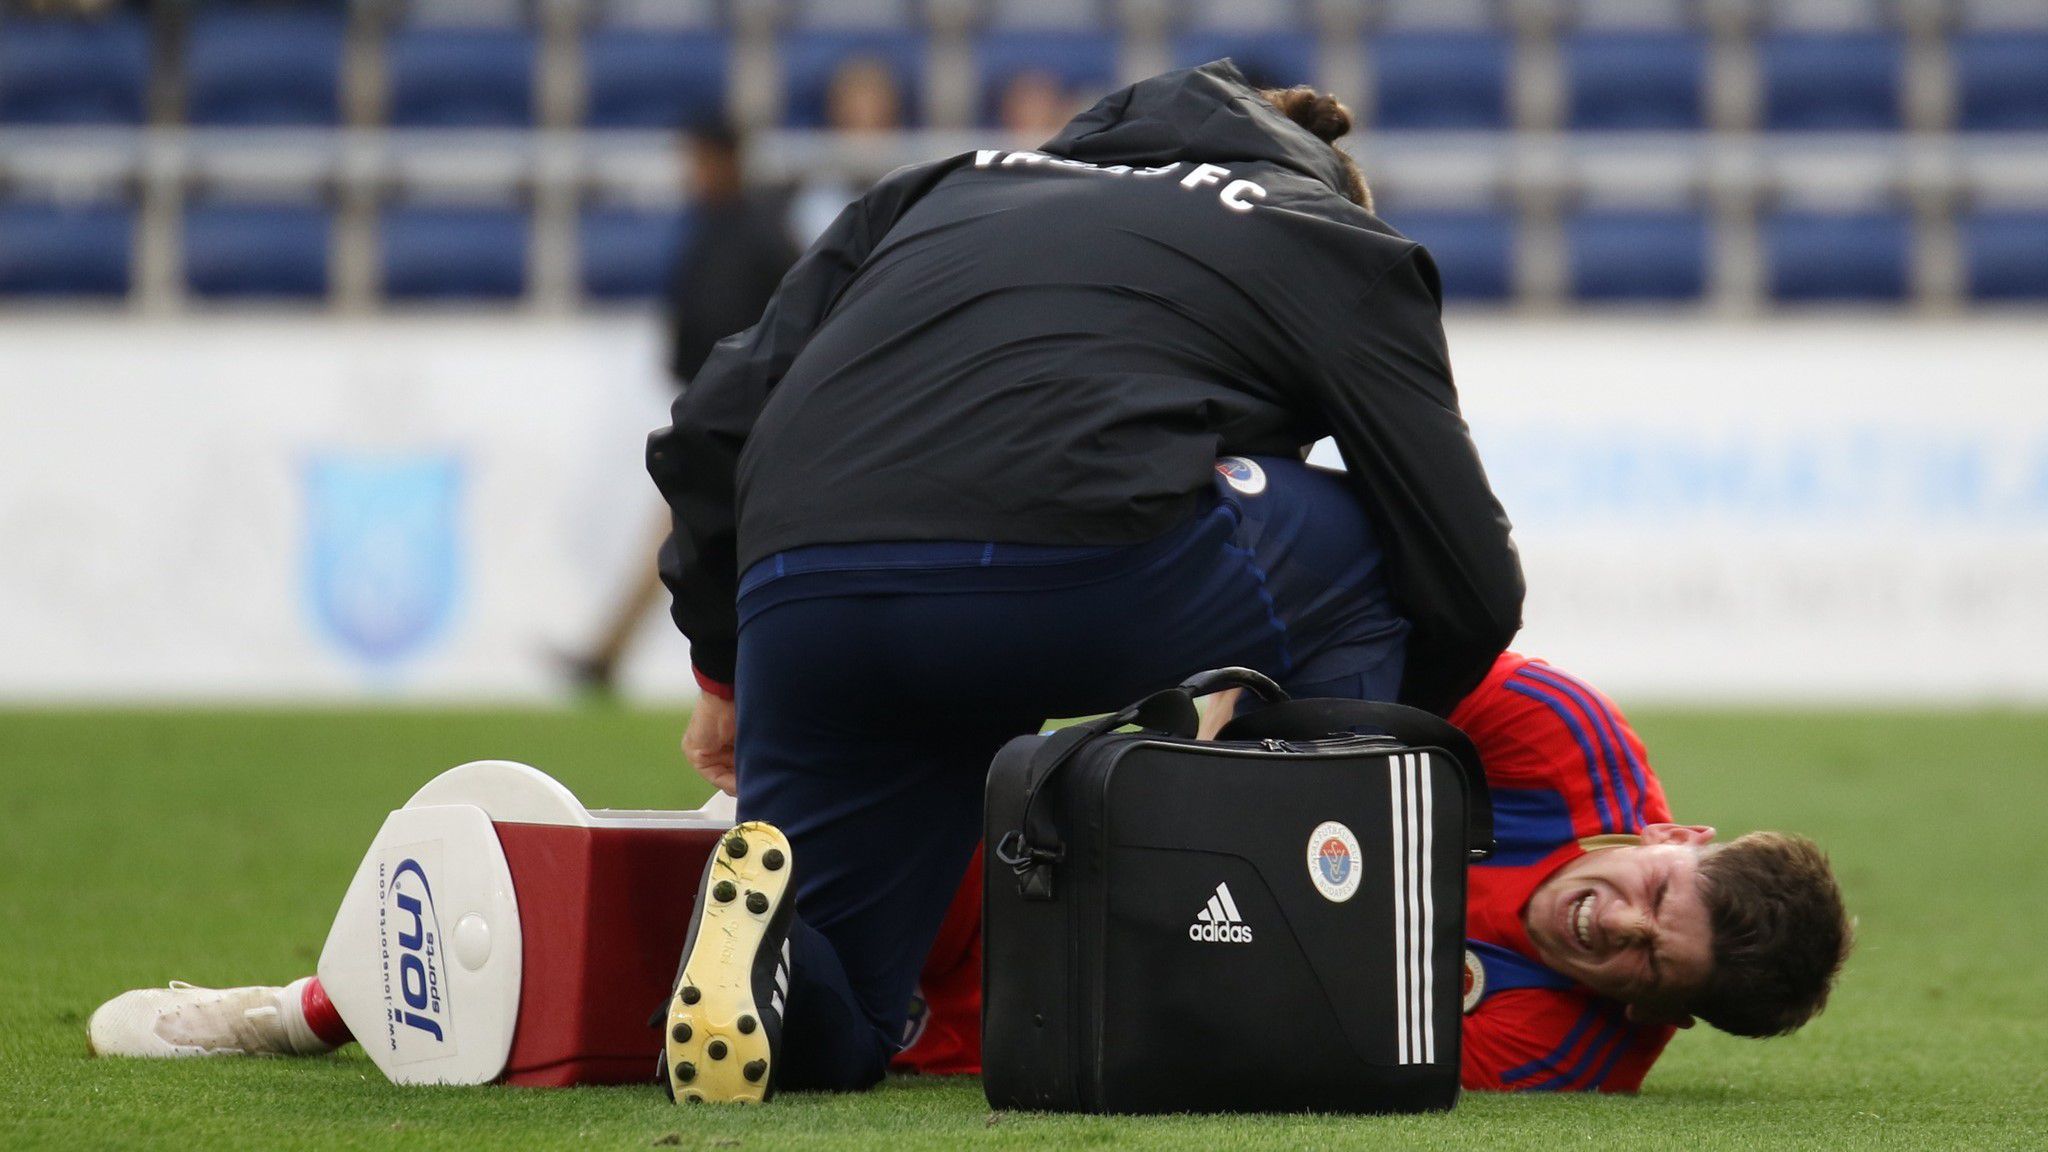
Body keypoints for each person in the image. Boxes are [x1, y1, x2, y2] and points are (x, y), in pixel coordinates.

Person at [85, 458, 1850, 1095]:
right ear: (1669, 828)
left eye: (1639, 965)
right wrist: (1234, 738)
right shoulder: (1562, 744)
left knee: (676, 1021)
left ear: (1657, 1018)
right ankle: (297, 1008)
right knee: (655, 897)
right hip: (1058, 813)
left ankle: (715, 907)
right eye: (1649, 894)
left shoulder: (1566, 1040)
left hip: (1062, 988)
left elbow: (1299, 1042)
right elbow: (1348, 651)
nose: (1608, 925)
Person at [649, 57, 1525, 1102]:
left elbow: (708, 423)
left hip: (806, 587)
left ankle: (775, 974)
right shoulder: (1323, 234)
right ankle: (1270, 939)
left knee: (848, 1005)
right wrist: (1289, 728)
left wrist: (723, 666)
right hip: (1067, 565)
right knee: (1376, 541)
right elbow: (1465, 566)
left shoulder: (942, 183)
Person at [560, 119, 799, 694]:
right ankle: (609, 654)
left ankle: (610, 654)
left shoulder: (760, 232)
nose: (690, 172)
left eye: (697, 159)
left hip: (750, 420)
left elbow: (792, 318)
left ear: (723, 158)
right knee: (681, 538)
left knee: (684, 537)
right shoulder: (721, 227)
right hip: (719, 414)